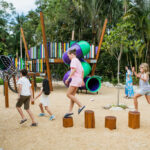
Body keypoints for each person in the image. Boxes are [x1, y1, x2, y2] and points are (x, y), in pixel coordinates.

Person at [64, 49, 85, 118]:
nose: (68, 57)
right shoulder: (78, 61)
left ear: (72, 54)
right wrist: (81, 80)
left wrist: (68, 78)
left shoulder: (73, 60)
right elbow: (82, 71)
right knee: (72, 96)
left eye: (68, 55)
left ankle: (80, 105)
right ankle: (70, 111)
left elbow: (73, 70)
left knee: (68, 94)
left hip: (75, 80)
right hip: (78, 80)